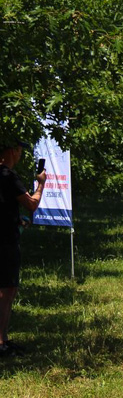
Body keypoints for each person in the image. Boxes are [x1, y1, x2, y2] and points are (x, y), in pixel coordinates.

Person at [1, 140, 46, 356]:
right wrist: (40, 184)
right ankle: (1, 342)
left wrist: (15, 219)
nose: (19, 155)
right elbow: (31, 203)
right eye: (19, 151)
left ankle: (3, 340)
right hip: (5, 242)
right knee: (7, 290)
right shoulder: (8, 176)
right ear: (11, 151)